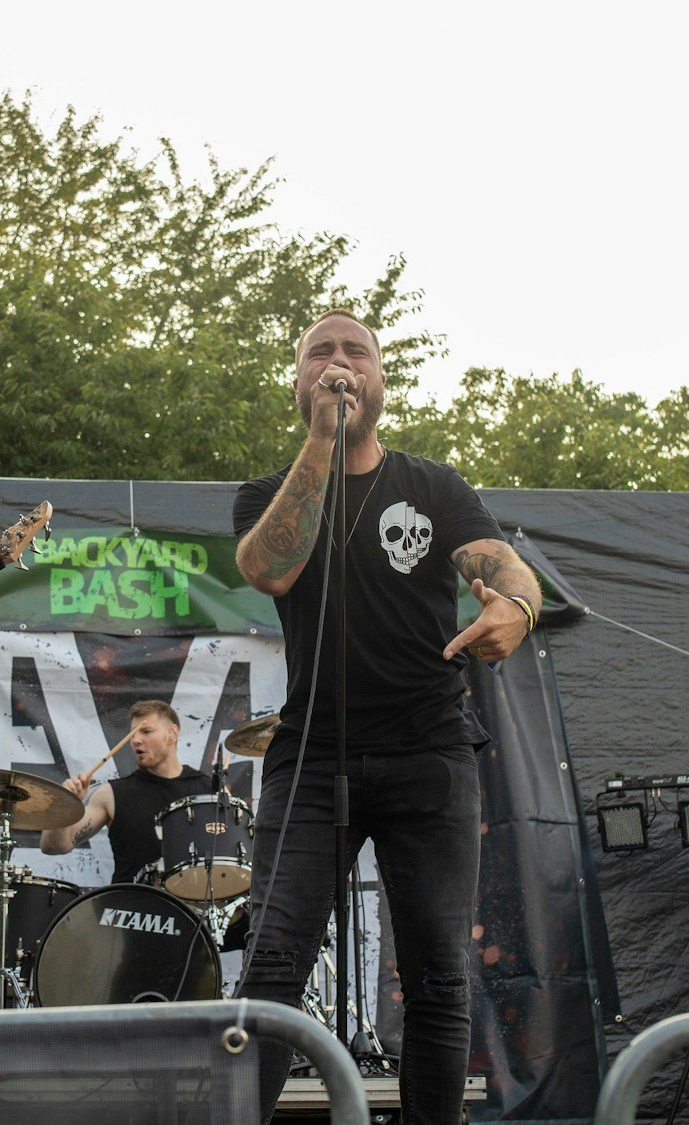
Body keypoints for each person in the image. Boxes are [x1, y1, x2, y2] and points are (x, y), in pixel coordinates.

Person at [232, 309, 540, 1124]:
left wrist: (517, 607)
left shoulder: (434, 486)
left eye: (355, 353)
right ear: (298, 383)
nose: (339, 365)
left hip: (429, 753)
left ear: (381, 379)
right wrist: (323, 445)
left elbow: (509, 570)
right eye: (320, 355)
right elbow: (266, 566)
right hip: (310, 756)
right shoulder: (267, 495)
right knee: (270, 966)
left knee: (439, 976)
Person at [39, 699, 215, 885]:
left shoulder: (208, 790)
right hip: (128, 908)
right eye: (132, 734)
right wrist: (64, 804)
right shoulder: (112, 794)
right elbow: (53, 846)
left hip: (190, 908)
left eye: (146, 732)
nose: (136, 740)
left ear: (172, 734)